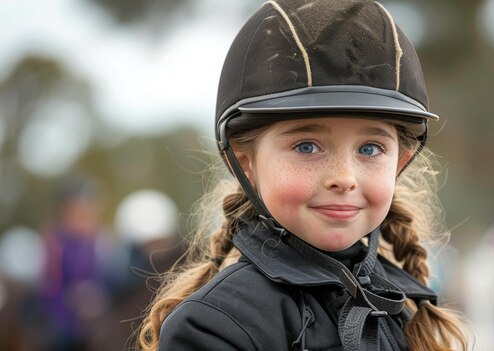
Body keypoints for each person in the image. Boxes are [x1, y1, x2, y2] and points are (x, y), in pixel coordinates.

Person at [138, 0, 470, 350]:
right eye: (307, 146)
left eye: (370, 149)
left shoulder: (403, 308)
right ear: (246, 163)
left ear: (399, 162)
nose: (345, 178)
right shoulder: (212, 326)